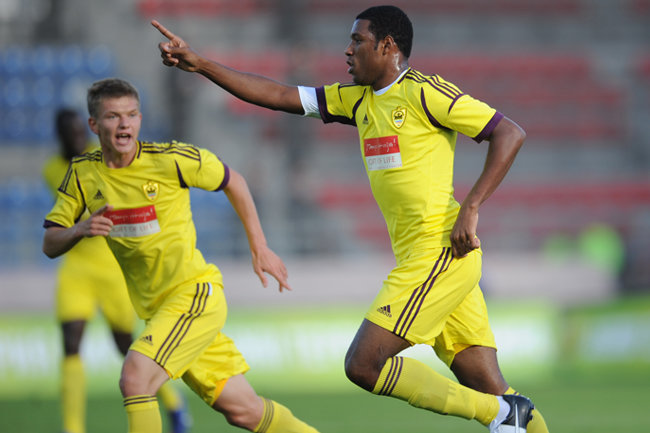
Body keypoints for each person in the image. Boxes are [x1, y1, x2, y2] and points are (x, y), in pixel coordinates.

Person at [152, 5, 551, 433]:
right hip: (422, 261)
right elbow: (278, 95)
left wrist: (471, 207)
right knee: (494, 389)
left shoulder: (424, 93)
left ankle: (497, 415)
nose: (347, 50)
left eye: (357, 41)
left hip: (439, 254)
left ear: (387, 46)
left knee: (363, 364)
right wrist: (202, 65)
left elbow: (509, 132)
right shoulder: (356, 100)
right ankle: (506, 413)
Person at [42, 79, 320, 433]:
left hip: (194, 297)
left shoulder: (170, 159)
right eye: (113, 116)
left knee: (135, 377)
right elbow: (50, 242)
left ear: (140, 119)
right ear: (94, 125)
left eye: (131, 115)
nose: (125, 124)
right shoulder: (83, 173)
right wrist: (78, 229)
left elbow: (233, 180)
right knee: (245, 411)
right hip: (160, 313)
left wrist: (259, 246)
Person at [43, 107, 192, 433]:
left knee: (126, 345)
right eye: (70, 132)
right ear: (61, 135)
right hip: (77, 268)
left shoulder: (101, 159)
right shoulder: (51, 170)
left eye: (80, 131)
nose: (78, 137)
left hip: (111, 266)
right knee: (71, 342)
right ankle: (73, 428)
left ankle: (173, 401)